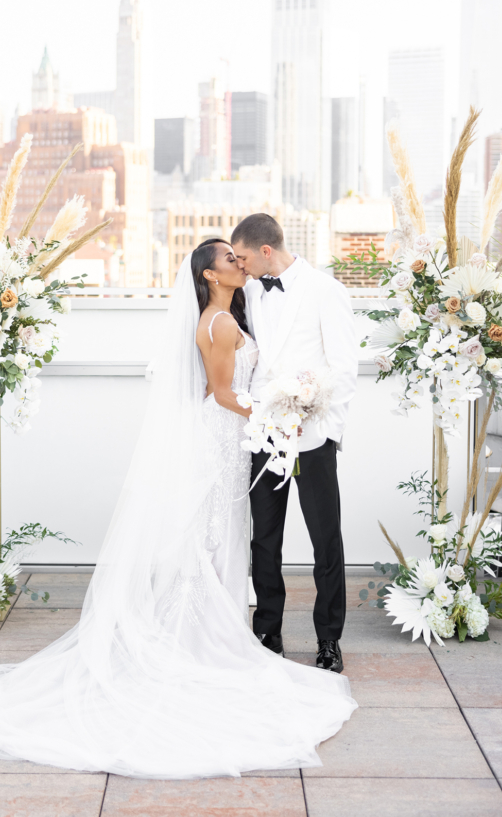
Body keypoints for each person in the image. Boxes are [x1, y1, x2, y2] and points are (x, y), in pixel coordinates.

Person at [0, 241, 356, 778]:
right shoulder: (220, 322)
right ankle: (210, 636)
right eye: (230, 259)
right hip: (229, 434)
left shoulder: (231, 311)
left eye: (239, 255)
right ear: (209, 273)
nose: (239, 264)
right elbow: (222, 392)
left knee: (221, 536)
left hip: (238, 439)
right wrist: (277, 407)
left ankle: (225, 628)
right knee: (217, 536)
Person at [231, 214, 358, 674]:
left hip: (313, 436)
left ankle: (329, 639)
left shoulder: (326, 290)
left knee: (326, 540)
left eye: (242, 257)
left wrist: (328, 431)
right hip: (263, 434)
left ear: (266, 251)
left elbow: (344, 368)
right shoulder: (247, 292)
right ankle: (268, 630)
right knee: (264, 537)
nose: (239, 266)